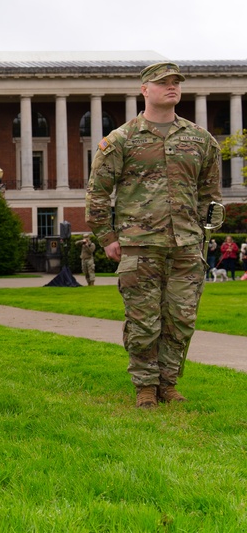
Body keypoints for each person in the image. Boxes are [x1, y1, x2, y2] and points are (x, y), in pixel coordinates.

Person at [86, 62, 221, 409]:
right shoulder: (121, 139)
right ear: (145, 89)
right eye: (163, 82)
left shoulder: (199, 139)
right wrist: (107, 237)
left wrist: (205, 231)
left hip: (186, 246)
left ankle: (169, 382)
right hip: (140, 246)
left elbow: (210, 194)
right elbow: (98, 193)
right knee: (143, 320)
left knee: (181, 318)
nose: (172, 87)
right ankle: (145, 385)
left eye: (176, 82)